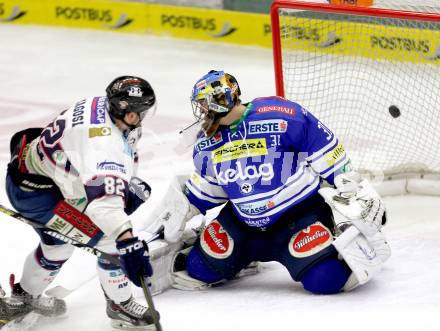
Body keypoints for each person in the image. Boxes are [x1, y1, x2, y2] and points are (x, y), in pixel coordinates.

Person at [149, 70, 391, 294]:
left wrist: (353, 189)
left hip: (297, 218)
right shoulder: (206, 141)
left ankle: (338, 243)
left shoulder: (280, 113)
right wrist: (185, 206)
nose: (201, 111)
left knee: (327, 279)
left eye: (203, 104)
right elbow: (211, 185)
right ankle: (243, 258)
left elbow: (326, 150)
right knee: (199, 269)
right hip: (243, 224)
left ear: (220, 101)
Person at [5, 76, 158, 329]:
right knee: (111, 240)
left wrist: (119, 194)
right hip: (38, 194)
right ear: (124, 111)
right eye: (138, 112)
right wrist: (127, 240)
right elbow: (103, 206)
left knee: (58, 247)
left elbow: (109, 167)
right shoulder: (103, 144)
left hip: (39, 178)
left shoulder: (101, 105)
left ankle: (23, 297)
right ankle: (119, 304)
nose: (141, 119)